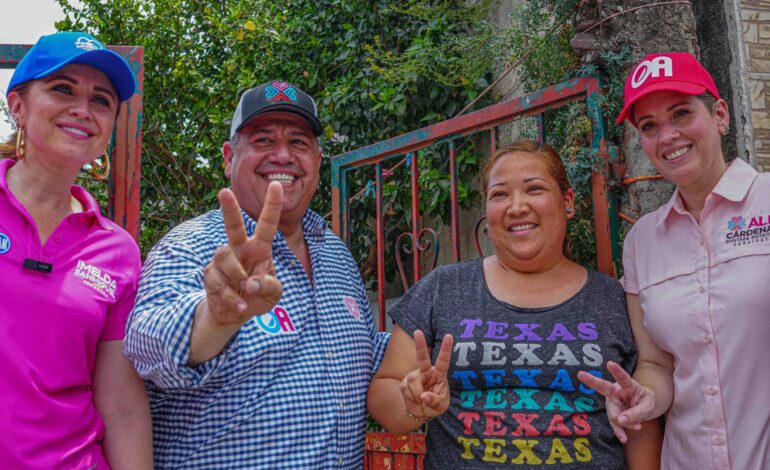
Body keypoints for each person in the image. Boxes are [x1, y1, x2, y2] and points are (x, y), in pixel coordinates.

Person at [123, 80, 390, 468]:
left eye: (299, 142)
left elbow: (363, 351)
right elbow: (148, 349)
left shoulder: (335, 254)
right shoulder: (190, 245)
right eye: (263, 140)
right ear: (230, 158)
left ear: (317, 160)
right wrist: (215, 317)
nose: (282, 155)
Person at [368, 140, 662, 469]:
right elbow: (383, 394)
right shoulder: (442, 289)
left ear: (567, 202)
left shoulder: (611, 298)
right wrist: (413, 405)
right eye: (500, 194)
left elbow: (640, 421)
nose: (516, 206)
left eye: (534, 189)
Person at [577, 52, 770, 469]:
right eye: (649, 126)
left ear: (720, 115)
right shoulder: (642, 242)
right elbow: (655, 363)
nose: (667, 136)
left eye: (681, 113)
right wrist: (645, 397)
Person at [0, 32, 152, 468]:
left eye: (101, 100)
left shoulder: (117, 251)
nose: (83, 110)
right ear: (18, 106)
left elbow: (121, 402)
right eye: (62, 88)